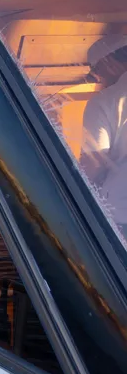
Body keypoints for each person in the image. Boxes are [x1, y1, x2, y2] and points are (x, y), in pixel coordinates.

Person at [81, 35, 127, 233]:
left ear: (108, 63)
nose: (96, 79)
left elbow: (94, 162)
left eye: (94, 72)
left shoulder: (104, 101)